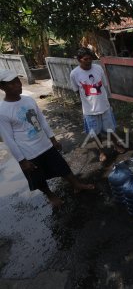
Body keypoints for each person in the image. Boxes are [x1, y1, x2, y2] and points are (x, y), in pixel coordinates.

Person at [0, 69, 95, 207]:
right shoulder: (3, 111)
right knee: (37, 178)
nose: (18, 85)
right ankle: (50, 196)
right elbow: (8, 139)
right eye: (11, 84)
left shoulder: (28, 99)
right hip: (29, 152)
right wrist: (22, 161)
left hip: (45, 144)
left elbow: (42, 121)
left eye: (18, 81)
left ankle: (77, 184)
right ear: (2, 87)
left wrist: (53, 139)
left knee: (62, 166)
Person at [70, 47, 125, 162]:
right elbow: (76, 91)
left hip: (104, 107)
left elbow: (104, 85)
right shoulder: (74, 74)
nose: (89, 61)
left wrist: (108, 101)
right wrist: (87, 103)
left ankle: (116, 145)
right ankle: (101, 152)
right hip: (90, 111)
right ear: (79, 60)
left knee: (110, 130)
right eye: (85, 59)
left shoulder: (98, 68)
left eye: (90, 59)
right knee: (96, 133)